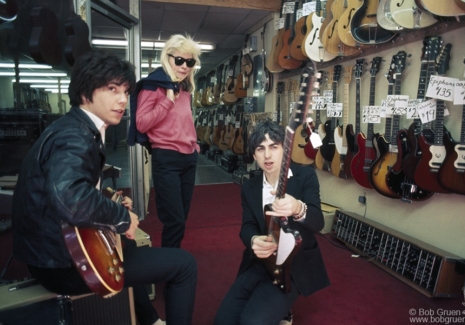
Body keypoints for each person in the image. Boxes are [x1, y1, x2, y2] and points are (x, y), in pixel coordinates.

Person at [11, 50, 197, 325]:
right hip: (61, 264)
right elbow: (70, 197)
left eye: (124, 90)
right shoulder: (74, 135)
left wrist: (109, 202)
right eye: (112, 89)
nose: (123, 99)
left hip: (51, 253)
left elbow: (66, 189)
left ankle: (149, 319)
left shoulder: (74, 127)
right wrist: (121, 217)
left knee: (127, 247)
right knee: (185, 264)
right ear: (86, 92)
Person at [213, 120, 330, 325]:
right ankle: (279, 310)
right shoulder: (250, 186)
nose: (267, 155)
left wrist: (297, 208)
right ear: (254, 154)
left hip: (293, 266)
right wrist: (253, 240)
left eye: (274, 147)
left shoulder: (305, 176)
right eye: (261, 149)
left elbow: (318, 222)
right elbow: (247, 226)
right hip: (259, 263)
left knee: (251, 322)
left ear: (285, 149)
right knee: (222, 321)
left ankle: (283, 309)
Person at [135, 34, 201, 248]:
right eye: (179, 60)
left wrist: (195, 145)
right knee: (174, 220)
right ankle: (170, 263)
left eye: (190, 62)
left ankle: (172, 258)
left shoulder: (184, 89)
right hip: (167, 158)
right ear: (168, 58)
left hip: (189, 158)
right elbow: (141, 123)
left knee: (181, 218)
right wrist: (166, 101)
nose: (184, 66)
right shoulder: (153, 86)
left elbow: (185, 122)